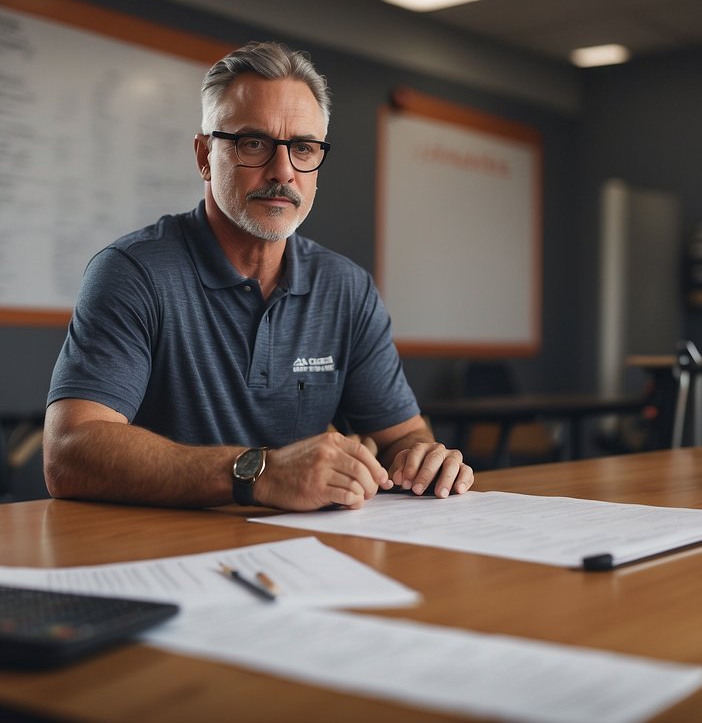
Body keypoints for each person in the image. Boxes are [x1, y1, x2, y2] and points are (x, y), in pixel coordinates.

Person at [43, 40, 473, 511]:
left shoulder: (346, 288)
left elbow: (402, 434)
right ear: (205, 156)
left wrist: (423, 458)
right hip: (158, 552)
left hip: (302, 555)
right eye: (254, 144)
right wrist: (257, 472)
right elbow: (69, 453)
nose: (282, 171)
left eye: (304, 148)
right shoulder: (133, 272)